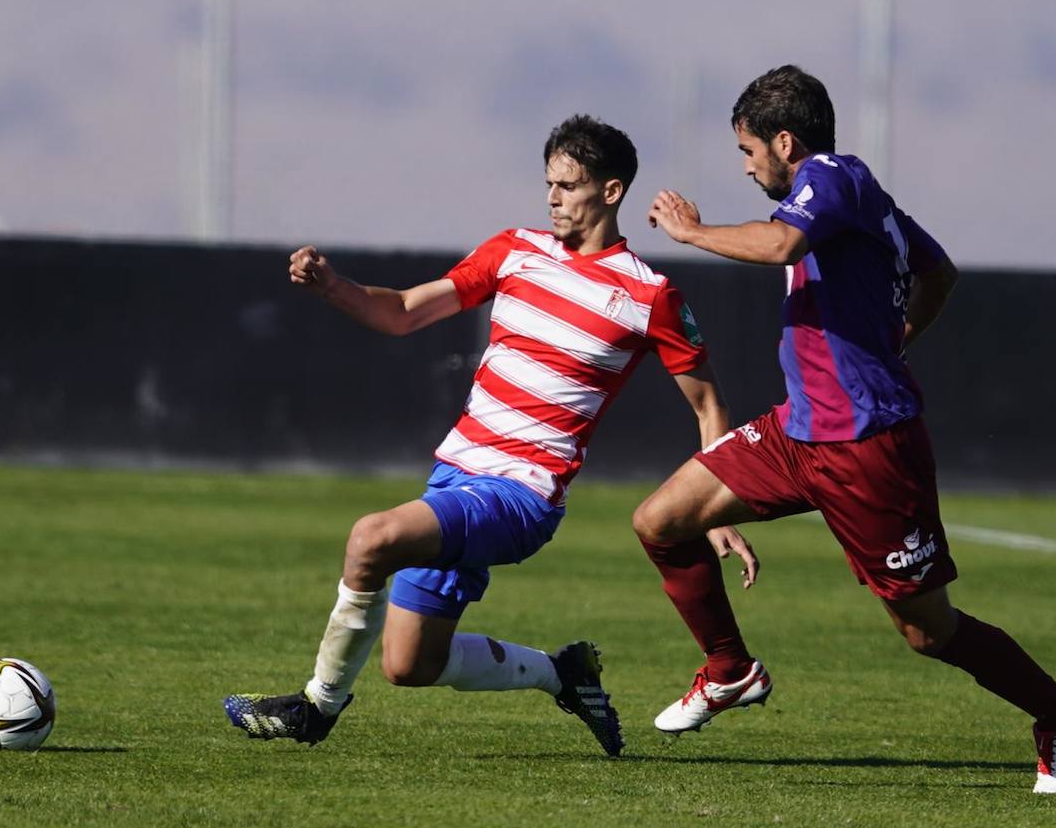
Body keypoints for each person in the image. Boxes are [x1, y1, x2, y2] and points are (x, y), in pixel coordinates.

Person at [224, 114, 756, 757]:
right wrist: (333, 286)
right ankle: (565, 674)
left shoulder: (650, 296)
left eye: (568, 185)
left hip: (522, 494)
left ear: (610, 191)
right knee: (409, 663)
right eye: (549, 184)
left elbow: (708, 407)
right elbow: (401, 313)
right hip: (455, 477)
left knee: (372, 538)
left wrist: (718, 504)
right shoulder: (513, 251)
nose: (553, 197)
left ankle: (316, 708)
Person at [635, 65, 1056, 793]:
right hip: (800, 433)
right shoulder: (860, 200)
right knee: (662, 520)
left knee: (927, 632)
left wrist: (691, 232)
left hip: (869, 447)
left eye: (748, 149)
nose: (747, 164)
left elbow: (782, 247)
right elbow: (938, 272)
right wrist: (897, 332)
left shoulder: (834, 177)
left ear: (785, 141)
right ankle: (729, 671)